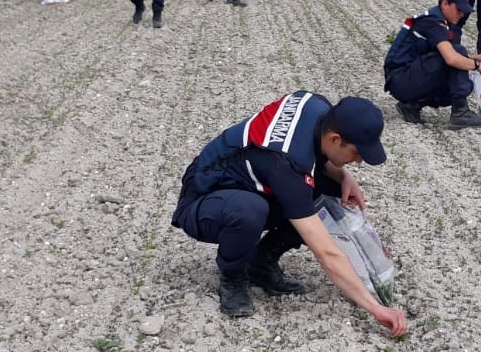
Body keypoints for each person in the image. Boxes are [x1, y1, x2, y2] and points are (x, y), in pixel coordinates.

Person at [172, 92, 408, 336]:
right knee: (253, 210)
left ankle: (260, 265)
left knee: (322, 190)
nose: (358, 162)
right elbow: (325, 251)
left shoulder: (317, 106)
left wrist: (343, 177)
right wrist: (375, 308)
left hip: (250, 179)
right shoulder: (286, 163)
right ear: (335, 139)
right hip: (203, 200)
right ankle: (232, 277)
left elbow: (312, 151)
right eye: (357, 154)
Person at [384, 0, 481, 130]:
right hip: (401, 78)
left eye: (464, 10)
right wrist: (478, 66)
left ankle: (411, 105)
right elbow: (451, 58)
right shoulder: (433, 21)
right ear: (445, 3)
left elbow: (446, 56)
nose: (462, 14)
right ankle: (460, 113)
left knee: (454, 82)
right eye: (459, 9)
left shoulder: (437, 19)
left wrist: (474, 57)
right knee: (457, 55)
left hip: (404, 78)